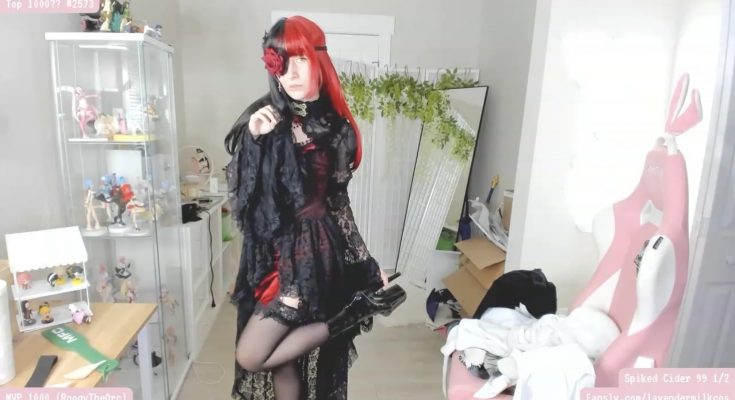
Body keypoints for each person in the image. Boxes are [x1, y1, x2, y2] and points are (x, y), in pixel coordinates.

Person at [224, 16, 407, 400]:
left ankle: (345, 317)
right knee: (284, 362)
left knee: (252, 354)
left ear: (319, 61)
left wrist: (368, 265)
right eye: (282, 62)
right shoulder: (266, 118)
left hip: (310, 256)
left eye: (301, 60)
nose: (290, 74)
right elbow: (247, 198)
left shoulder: (335, 129)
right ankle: (347, 315)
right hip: (273, 256)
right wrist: (254, 139)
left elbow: (338, 204)